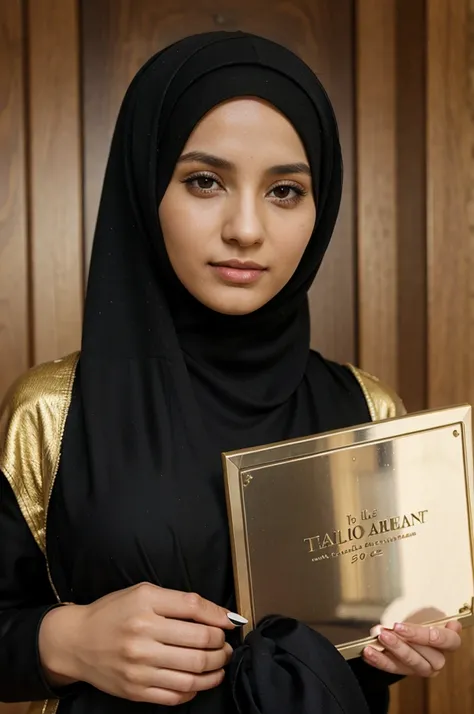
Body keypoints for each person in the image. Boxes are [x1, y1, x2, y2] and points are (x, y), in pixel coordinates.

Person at [0, 31, 462, 714]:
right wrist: (65, 641)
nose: (246, 228)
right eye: (204, 181)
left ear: (321, 205)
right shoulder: (52, 411)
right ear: (145, 187)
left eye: (284, 190)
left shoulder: (370, 412)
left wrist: (393, 650)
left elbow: (352, 653)